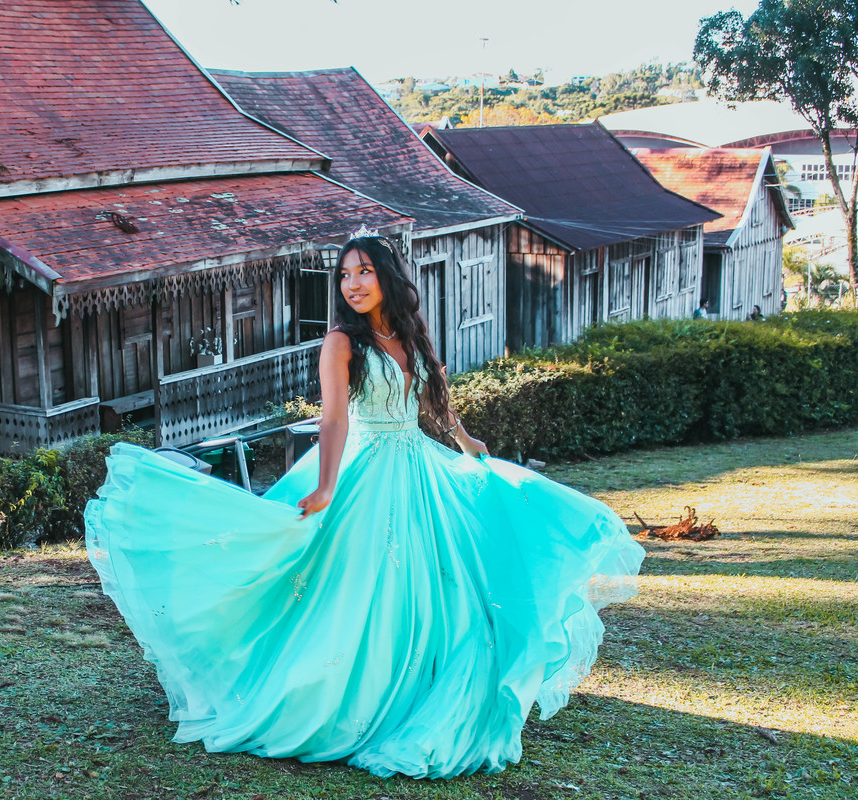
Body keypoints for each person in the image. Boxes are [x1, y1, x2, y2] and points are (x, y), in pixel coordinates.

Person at [85, 231, 644, 779]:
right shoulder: (341, 342)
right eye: (345, 275)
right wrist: (327, 486)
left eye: (364, 272)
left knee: (442, 579)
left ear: (388, 276)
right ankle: (355, 694)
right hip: (366, 468)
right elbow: (333, 420)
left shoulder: (410, 333)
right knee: (358, 582)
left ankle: (424, 682)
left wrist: (463, 438)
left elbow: (432, 393)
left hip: (419, 468)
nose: (352, 284)